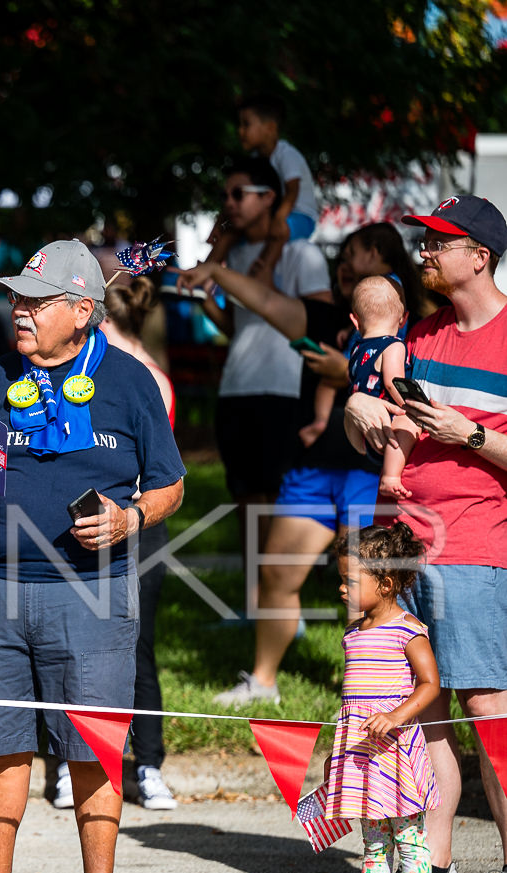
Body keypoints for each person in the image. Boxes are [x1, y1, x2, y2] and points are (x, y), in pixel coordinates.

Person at [0, 239, 185, 873]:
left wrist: (130, 518)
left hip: (92, 594)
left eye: (35, 301)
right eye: (15, 298)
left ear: (82, 311)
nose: (19, 311)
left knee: (93, 746)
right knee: (0, 749)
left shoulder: (129, 381)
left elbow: (171, 484)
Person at [344, 194, 507, 873]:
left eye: (439, 242)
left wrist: (469, 435)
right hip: (401, 549)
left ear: (480, 256)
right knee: (417, 714)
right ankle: (433, 870)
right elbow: (378, 433)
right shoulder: (420, 335)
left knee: (489, 713)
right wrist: (357, 414)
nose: (425, 253)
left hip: (476, 544)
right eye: (426, 241)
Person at [180, 223, 413, 707]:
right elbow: (265, 301)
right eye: (340, 259)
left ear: (383, 258)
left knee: (365, 588)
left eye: (354, 256)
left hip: (370, 473)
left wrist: (348, 373)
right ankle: (262, 682)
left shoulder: (411, 329)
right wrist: (216, 272)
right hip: (314, 467)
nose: (344, 266)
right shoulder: (326, 318)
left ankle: (364, 693)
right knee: (277, 574)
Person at [204, 157, 332, 595]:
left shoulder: (302, 254)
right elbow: (235, 326)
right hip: (236, 387)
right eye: (225, 195)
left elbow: (320, 323)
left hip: (286, 390)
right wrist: (208, 293)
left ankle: (284, 602)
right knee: (245, 499)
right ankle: (254, 602)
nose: (229, 203)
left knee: (279, 498)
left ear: (269, 198)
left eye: (238, 194)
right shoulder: (234, 254)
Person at [321, 522, 439, 873]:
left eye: (350, 580)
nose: (342, 588)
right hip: (362, 757)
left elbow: (429, 684)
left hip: (396, 755)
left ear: (386, 584)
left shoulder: (407, 629)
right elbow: (351, 704)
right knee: (373, 843)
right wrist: (337, 756)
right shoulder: (353, 633)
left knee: (409, 840)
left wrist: (396, 716)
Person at [98, 274, 177, 812]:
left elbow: (158, 470)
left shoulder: (142, 379)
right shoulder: (154, 374)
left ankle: (146, 763)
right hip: (104, 522)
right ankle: (88, 760)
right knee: (89, 647)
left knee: (135, 646)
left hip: (136, 523)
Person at [205, 94, 319, 281]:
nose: (240, 131)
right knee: (230, 234)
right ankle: (202, 274)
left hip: (300, 215)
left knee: (279, 232)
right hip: (279, 214)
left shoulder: (286, 155)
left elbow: (292, 191)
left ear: (270, 128)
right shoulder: (256, 160)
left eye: (246, 124)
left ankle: (261, 275)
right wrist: (219, 225)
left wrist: (279, 218)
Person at [342, 277, 416, 498]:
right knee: (409, 422)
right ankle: (390, 477)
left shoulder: (356, 350)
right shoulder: (394, 345)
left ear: (355, 320)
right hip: (386, 426)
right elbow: (394, 383)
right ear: (403, 320)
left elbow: (353, 380)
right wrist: (409, 406)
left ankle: (361, 450)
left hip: (363, 432)